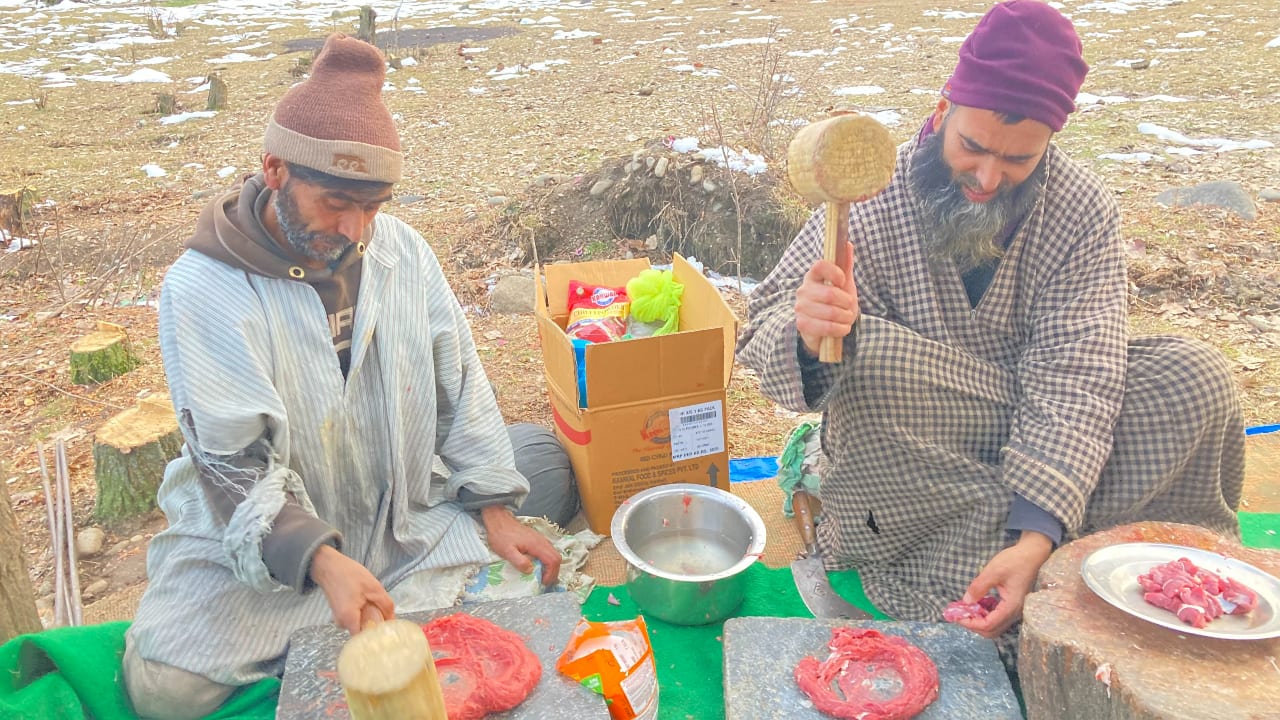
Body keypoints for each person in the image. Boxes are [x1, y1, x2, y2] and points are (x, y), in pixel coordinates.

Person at [738, 0, 1242, 661]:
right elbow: (761, 329)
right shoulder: (870, 195)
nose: (985, 178)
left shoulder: (1080, 208)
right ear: (943, 109)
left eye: (1017, 161)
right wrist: (807, 333)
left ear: (1049, 144)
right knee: (877, 353)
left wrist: (1033, 532)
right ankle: (1067, 539)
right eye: (971, 148)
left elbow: (1078, 376)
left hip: (1035, 422)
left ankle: (1043, 533)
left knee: (1193, 379)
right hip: (918, 451)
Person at [123, 34, 579, 719]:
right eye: (335, 202)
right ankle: (331, 604)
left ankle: (381, 591)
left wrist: (490, 507)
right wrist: (320, 560)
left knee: (542, 477)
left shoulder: (402, 251)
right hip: (270, 539)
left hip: (398, 513)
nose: (356, 229)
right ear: (274, 169)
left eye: (375, 205)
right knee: (168, 689)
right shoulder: (205, 288)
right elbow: (231, 468)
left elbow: (460, 384)